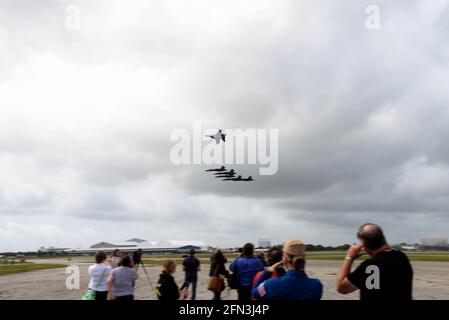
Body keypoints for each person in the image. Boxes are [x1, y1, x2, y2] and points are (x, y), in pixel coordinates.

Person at [336, 223, 413, 300]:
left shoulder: (369, 266)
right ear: (382, 238)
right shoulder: (402, 257)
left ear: (363, 245)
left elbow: (341, 288)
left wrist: (349, 257)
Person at [252, 239, 322, 300]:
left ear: (284, 260)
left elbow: (254, 292)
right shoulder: (317, 285)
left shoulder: (271, 284)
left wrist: (267, 272)